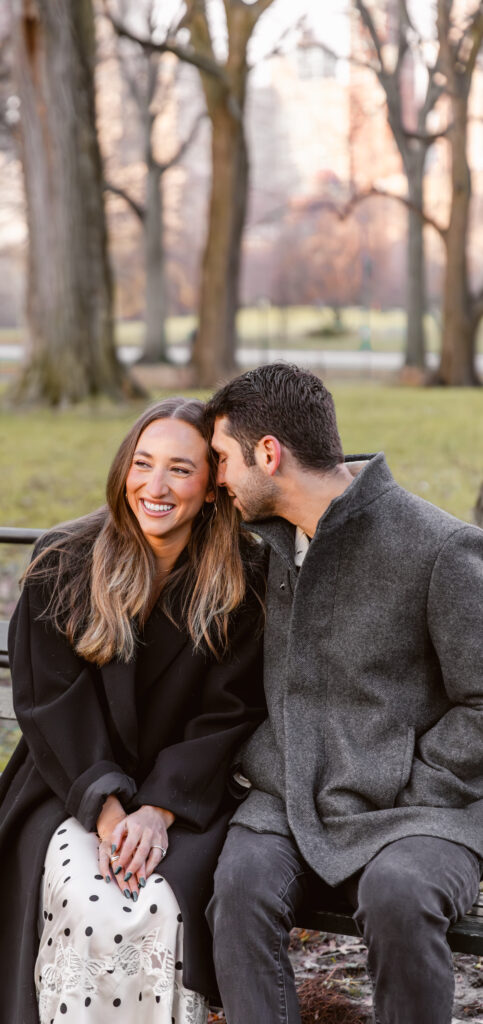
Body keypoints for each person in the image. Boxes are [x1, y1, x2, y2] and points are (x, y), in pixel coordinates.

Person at [205, 362, 483, 1024]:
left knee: (398, 896)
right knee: (237, 892)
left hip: (421, 807)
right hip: (288, 796)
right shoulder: (263, 552)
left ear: (267, 454)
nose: (217, 480)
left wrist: (418, 784)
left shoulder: (439, 547)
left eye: (221, 459)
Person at [0, 397, 266, 1024]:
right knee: (88, 894)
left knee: (153, 901)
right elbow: (51, 705)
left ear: (213, 487)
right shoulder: (64, 562)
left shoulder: (241, 579)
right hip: (68, 782)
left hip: (185, 794)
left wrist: (158, 811)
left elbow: (228, 712)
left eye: (181, 470)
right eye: (142, 463)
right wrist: (108, 812)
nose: (155, 487)